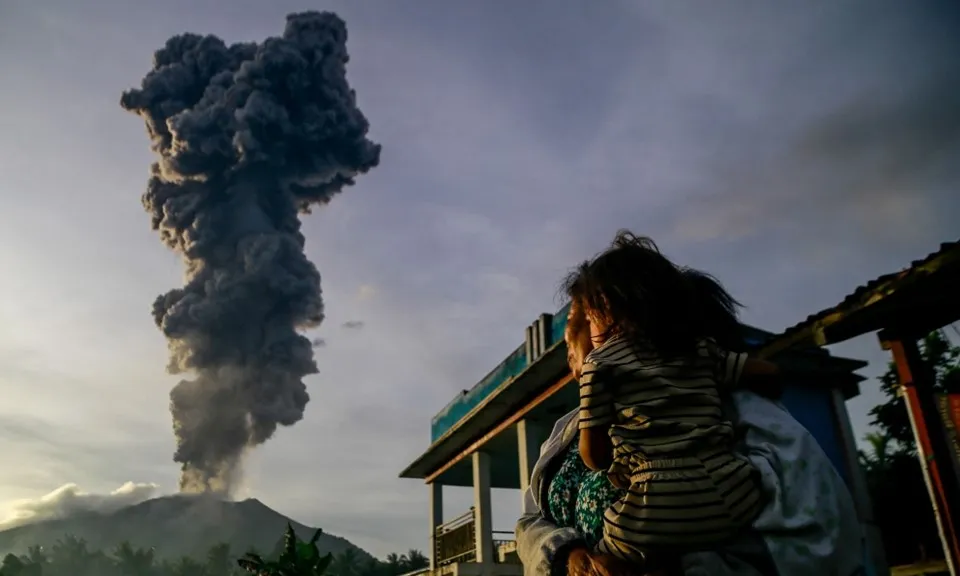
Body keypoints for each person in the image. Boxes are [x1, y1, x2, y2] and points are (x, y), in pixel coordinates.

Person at [515, 258, 866, 576]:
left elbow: (816, 544)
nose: (571, 354)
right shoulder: (567, 428)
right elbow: (530, 521)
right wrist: (571, 559)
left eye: (576, 331)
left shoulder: (742, 415)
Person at [563, 232, 772, 569]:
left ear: (610, 313)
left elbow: (594, 456)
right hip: (734, 493)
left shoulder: (600, 366)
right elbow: (765, 372)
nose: (584, 331)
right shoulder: (700, 349)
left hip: (656, 504)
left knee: (605, 555)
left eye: (588, 318)